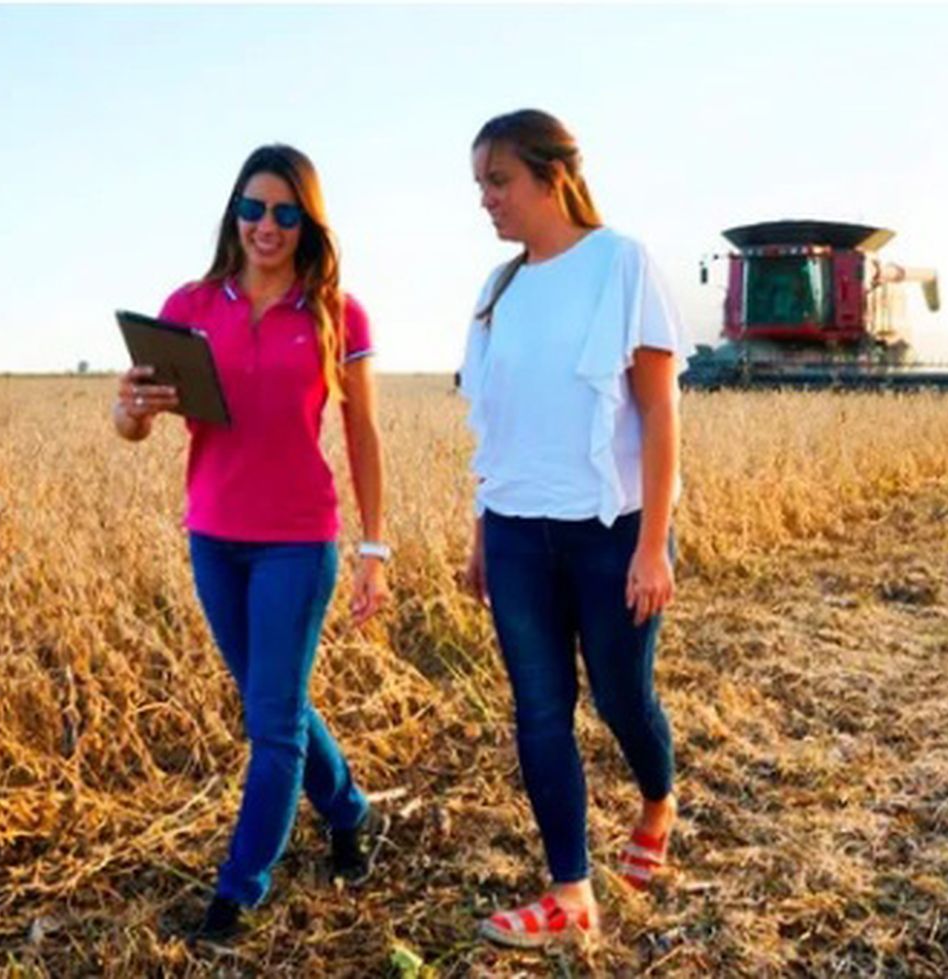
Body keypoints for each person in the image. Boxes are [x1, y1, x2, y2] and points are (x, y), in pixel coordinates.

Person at [112, 144, 391, 944]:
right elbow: (137, 426)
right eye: (252, 207)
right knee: (279, 706)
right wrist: (129, 408)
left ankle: (236, 894)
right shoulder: (190, 303)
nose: (266, 225)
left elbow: (363, 432)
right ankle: (348, 811)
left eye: (285, 211)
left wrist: (377, 547)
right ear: (233, 212)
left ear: (309, 222)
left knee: (270, 726)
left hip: (298, 544)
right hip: (213, 538)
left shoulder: (339, 312)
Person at [458, 109, 692, 949]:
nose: (486, 200)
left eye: (499, 180)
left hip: (608, 530)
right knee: (540, 708)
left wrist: (653, 543)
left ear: (552, 176)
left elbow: (660, 412)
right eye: (479, 184)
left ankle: (659, 799)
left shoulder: (621, 264)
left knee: (624, 696)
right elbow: (498, 422)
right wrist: (483, 531)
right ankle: (570, 891)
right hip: (517, 532)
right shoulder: (498, 289)